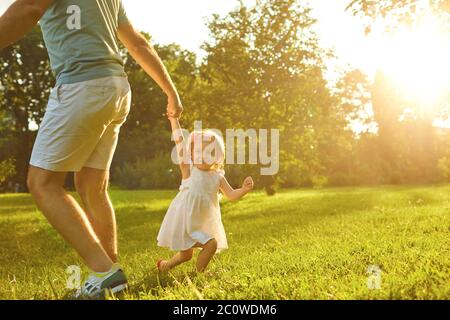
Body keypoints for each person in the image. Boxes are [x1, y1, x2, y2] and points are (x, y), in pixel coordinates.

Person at [0, 0, 183, 298]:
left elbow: (29, 7)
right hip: (117, 88)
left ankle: (104, 272)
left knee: (42, 182)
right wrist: (171, 91)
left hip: (81, 86)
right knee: (92, 185)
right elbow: (137, 43)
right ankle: (112, 277)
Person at [156, 116, 254, 272]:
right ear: (191, 154)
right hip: (185, 222)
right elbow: (180, 142)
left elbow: (231, 195)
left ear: (217, 155)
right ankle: (195, 273)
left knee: (194, 251)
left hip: (199, 224)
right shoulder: (189, 170)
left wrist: (243, 189)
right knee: (200, 249)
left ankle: (170, 267)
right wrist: (174, 120)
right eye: (199, 151)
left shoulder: (218, 176)